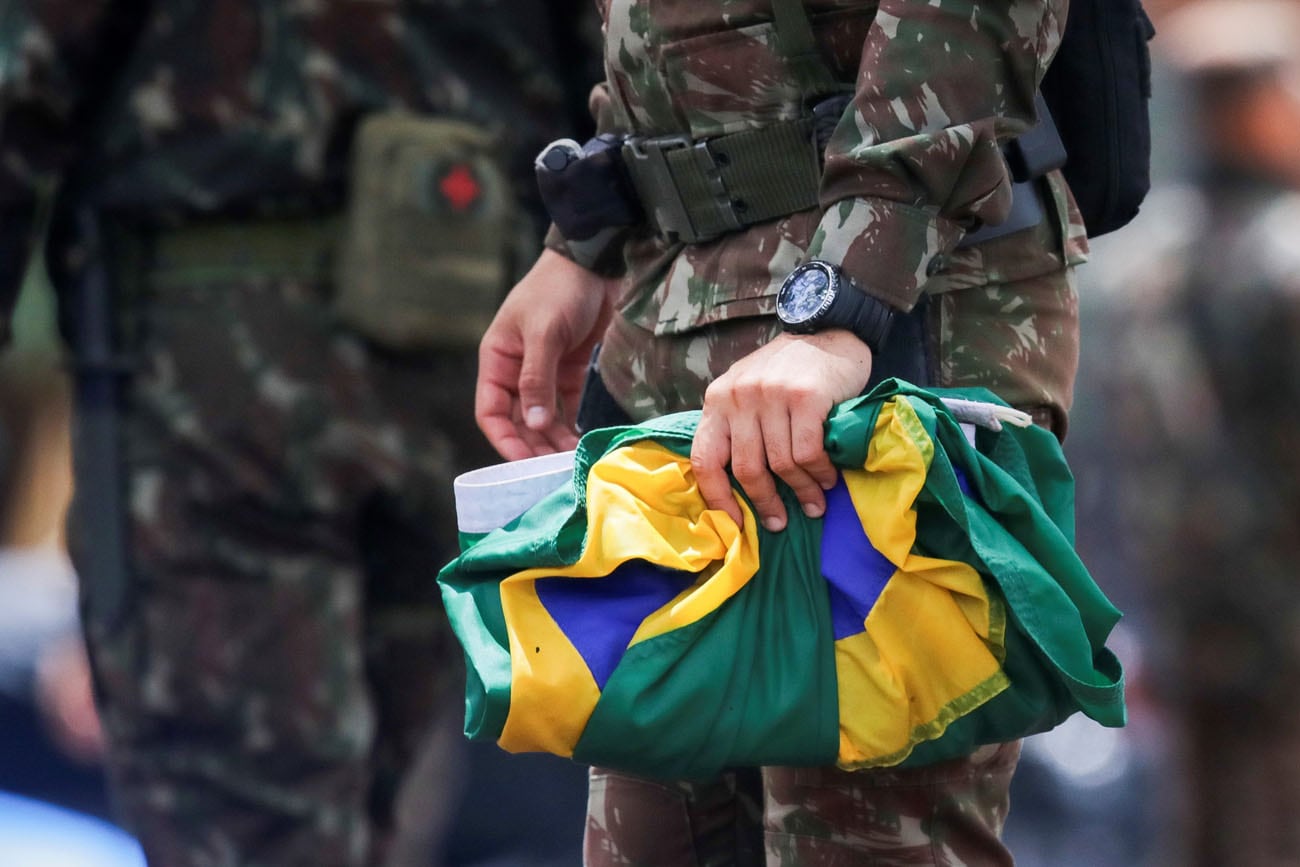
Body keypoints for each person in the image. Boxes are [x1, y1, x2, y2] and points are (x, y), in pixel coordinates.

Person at [477, 0, 1094, 862]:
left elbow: (962, 25)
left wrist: (842, 302)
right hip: (675, 316)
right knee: (655, 837)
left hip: (901, 317)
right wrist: (585, 235)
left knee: (866, 835)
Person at [0, 3, 596, 865]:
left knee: (250, 825)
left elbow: (24, 78)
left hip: (219, 381)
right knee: (380, 810)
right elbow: (626, 81)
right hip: (476, 352)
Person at [1099, 2, 1300, 862]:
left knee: (1202, 826)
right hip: (1284, 615)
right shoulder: (1287, 261)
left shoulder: (1136, 270)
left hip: (1179, 613)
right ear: (1254, 106)